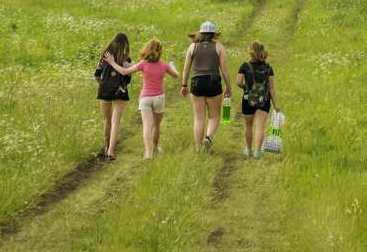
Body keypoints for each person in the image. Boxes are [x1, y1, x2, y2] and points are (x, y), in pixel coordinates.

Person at [105, 39, 179, 159]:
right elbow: (177, 75)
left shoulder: (143, 64)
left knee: (146, 125)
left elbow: (124, 72)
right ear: (160, 51)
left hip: (145, 97)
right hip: (159, 97)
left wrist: (112, 63)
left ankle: (148, 153)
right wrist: (173, 67)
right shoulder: (164, 65)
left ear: (147, 49)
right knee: (156, 126)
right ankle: (155, 149)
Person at [180, 21, 231, 152]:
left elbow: (186, 69)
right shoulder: (218, 46)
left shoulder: (192, 47)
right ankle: (208, 138)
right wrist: (228, 87)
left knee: (198, 118)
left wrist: (184, 85)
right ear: (213, 34)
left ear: (201, 33)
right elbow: (224, 69)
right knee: (214, 116)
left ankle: (198, 148)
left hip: (196, 82)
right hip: (213, 82)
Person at [235, 39, 279, 159]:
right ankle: (258, 152)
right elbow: (271, 88)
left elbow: (238, 82)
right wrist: (275, 104)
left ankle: (248, 149)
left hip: (247, 99)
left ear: (251, 52)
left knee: (248, 126)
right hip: (264, 100)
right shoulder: (268, 68)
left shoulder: (245, 66)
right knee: (259, 126)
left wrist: (246, 88)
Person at [94, 33, 132, 161]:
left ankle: (107, 146)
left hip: (104, 91)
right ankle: (111, 149)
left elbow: (97, 74)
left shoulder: (104, 57)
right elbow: (128, 78)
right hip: (120, 92)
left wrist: (103, 84)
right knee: (116, 122)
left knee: (107, 121)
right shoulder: (126, 59)